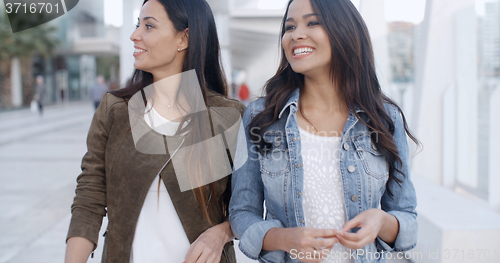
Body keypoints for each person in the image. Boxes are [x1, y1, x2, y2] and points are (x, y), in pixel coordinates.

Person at [229, 0, 420, 262]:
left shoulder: (386, 119)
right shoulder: (260, 118)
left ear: (344, 30)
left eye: (312, 22)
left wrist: (380, 221)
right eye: (289, 27)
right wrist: (285, 239)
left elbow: (407, 217)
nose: (296, 34)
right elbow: (241, 213)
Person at [64, 0, 244, 262]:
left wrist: (221, 234)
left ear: (184, 38)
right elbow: (89, 197)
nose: (134, 35)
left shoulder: (227, 117)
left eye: (149, 26)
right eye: (138, 25)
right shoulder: (115, 111)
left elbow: (246, 206)